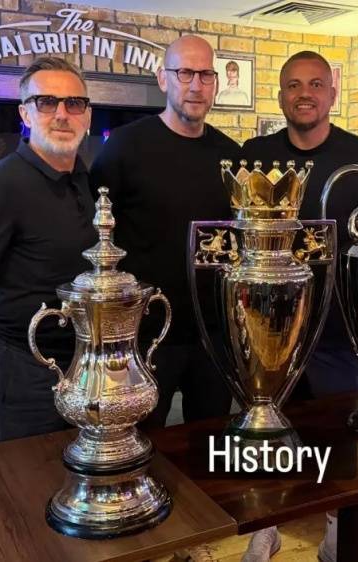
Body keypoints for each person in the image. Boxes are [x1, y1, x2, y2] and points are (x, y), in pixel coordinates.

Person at [241, 50, 358, 562]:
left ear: (332, 93)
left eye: (315, 84)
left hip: (342, 329)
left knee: (339, 436)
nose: (304, 94)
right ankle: (267, 525)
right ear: (280, 96)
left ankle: (337, 528)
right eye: (293, 85)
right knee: (267, 431)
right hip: (270, 325)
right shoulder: (256, 155)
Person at [0, 57, 96, 462]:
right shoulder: (2, 184)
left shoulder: (86, 180)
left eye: (74, 103)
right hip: (26, 372)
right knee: (26, 484)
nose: (61, 114)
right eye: (46, 102)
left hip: (87, 369)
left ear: (87, 116)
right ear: (25, 114)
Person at [90, 35, 239, 429]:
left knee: (210, 442)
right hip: (143, 335)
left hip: (213, 335)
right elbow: (94, 235)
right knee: (141, 441)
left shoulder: (231, 156)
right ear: (163, 79)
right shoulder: (125, 147)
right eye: (185, 73)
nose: (196, 85)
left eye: (205, 75)